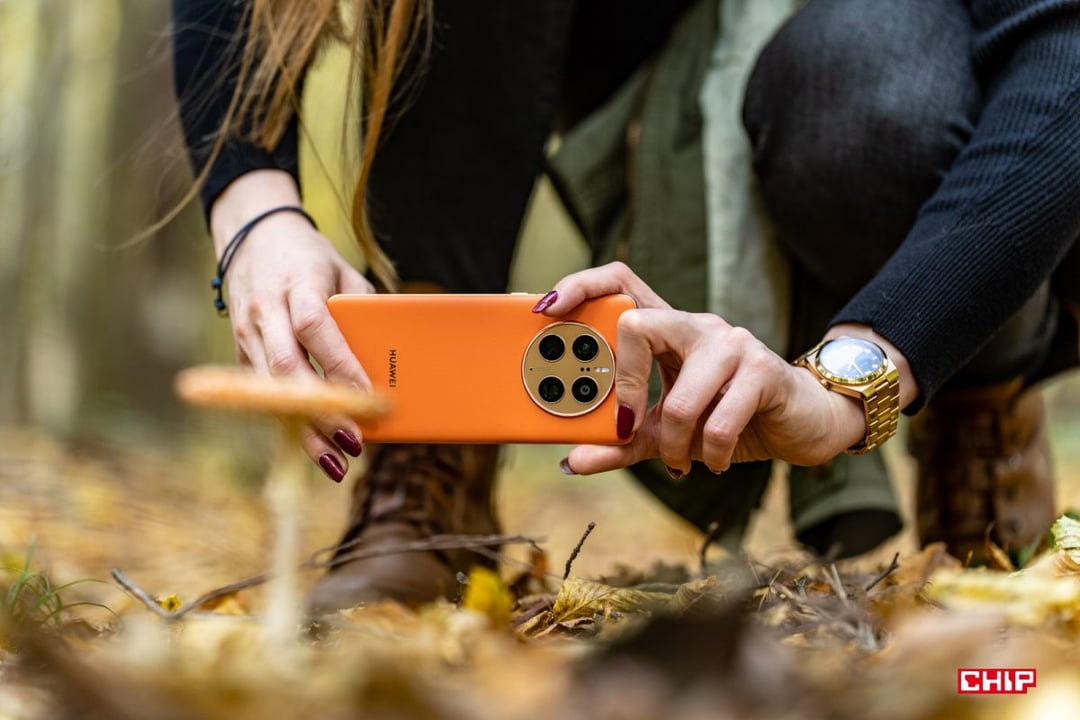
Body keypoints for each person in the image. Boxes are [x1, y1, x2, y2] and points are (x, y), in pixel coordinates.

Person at [172, 0, 1079, 612]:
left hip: (893, 58)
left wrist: (852, 381)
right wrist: (254, 206)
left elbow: (1065, 49)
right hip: (621, 57)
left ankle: (981, 401)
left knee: (861, 91)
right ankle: (431, 446)